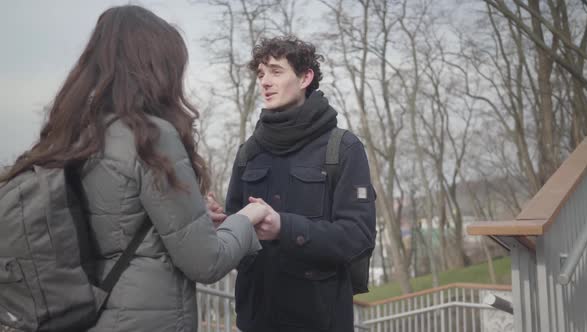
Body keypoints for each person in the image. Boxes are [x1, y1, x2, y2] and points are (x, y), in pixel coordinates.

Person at [0, 5, 268, 332]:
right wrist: (246, 219)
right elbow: (206, 261)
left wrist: (194, 216)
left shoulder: (72, 133)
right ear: (157, 67)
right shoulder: (148, 138)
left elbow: (114, 222)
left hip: (86, 315)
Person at [220, 36, 377, 332]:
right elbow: (237, 243)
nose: (265, 81)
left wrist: (284, 228)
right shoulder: (248, 153)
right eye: (261, 74)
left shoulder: (343, 149)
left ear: (306, 77)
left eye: (276, 71)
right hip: (256, 321)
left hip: (320, 321)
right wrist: (226, 224)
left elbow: (358, 238)